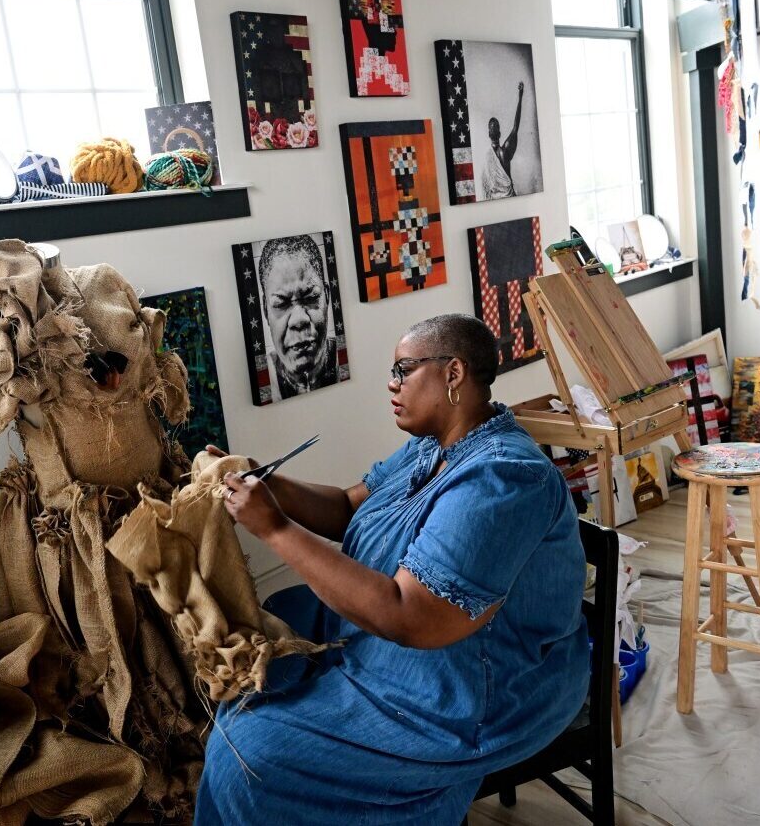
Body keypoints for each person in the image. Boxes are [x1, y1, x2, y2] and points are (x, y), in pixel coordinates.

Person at [194, 313, 589, 825]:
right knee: (257, 669)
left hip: (473, 694)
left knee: (249, 756)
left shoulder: (504, 479)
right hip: (404, 653)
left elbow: (412, 617)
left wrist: (274, 530)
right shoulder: (431, 447)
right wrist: (264, 485)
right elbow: (344, 506)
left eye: (404, 369)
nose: (391, 383)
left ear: (453, 374)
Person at [258, 235, 338, 399]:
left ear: (327, 296)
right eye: (281, 304)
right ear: (266, 311)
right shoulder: (264, 378)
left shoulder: (344, 358)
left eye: (311, 297)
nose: (299, 319)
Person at [480, 81, 525, 200]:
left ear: (488, 134)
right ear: (499, 134)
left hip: (498, 202)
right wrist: (520, 96)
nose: (493, 130)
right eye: (493, 128)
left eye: (493, 128)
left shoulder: (488, 156)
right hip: (507, 200)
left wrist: (520, 97)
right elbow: (516, 127)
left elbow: (486, 188)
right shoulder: (502, 152)